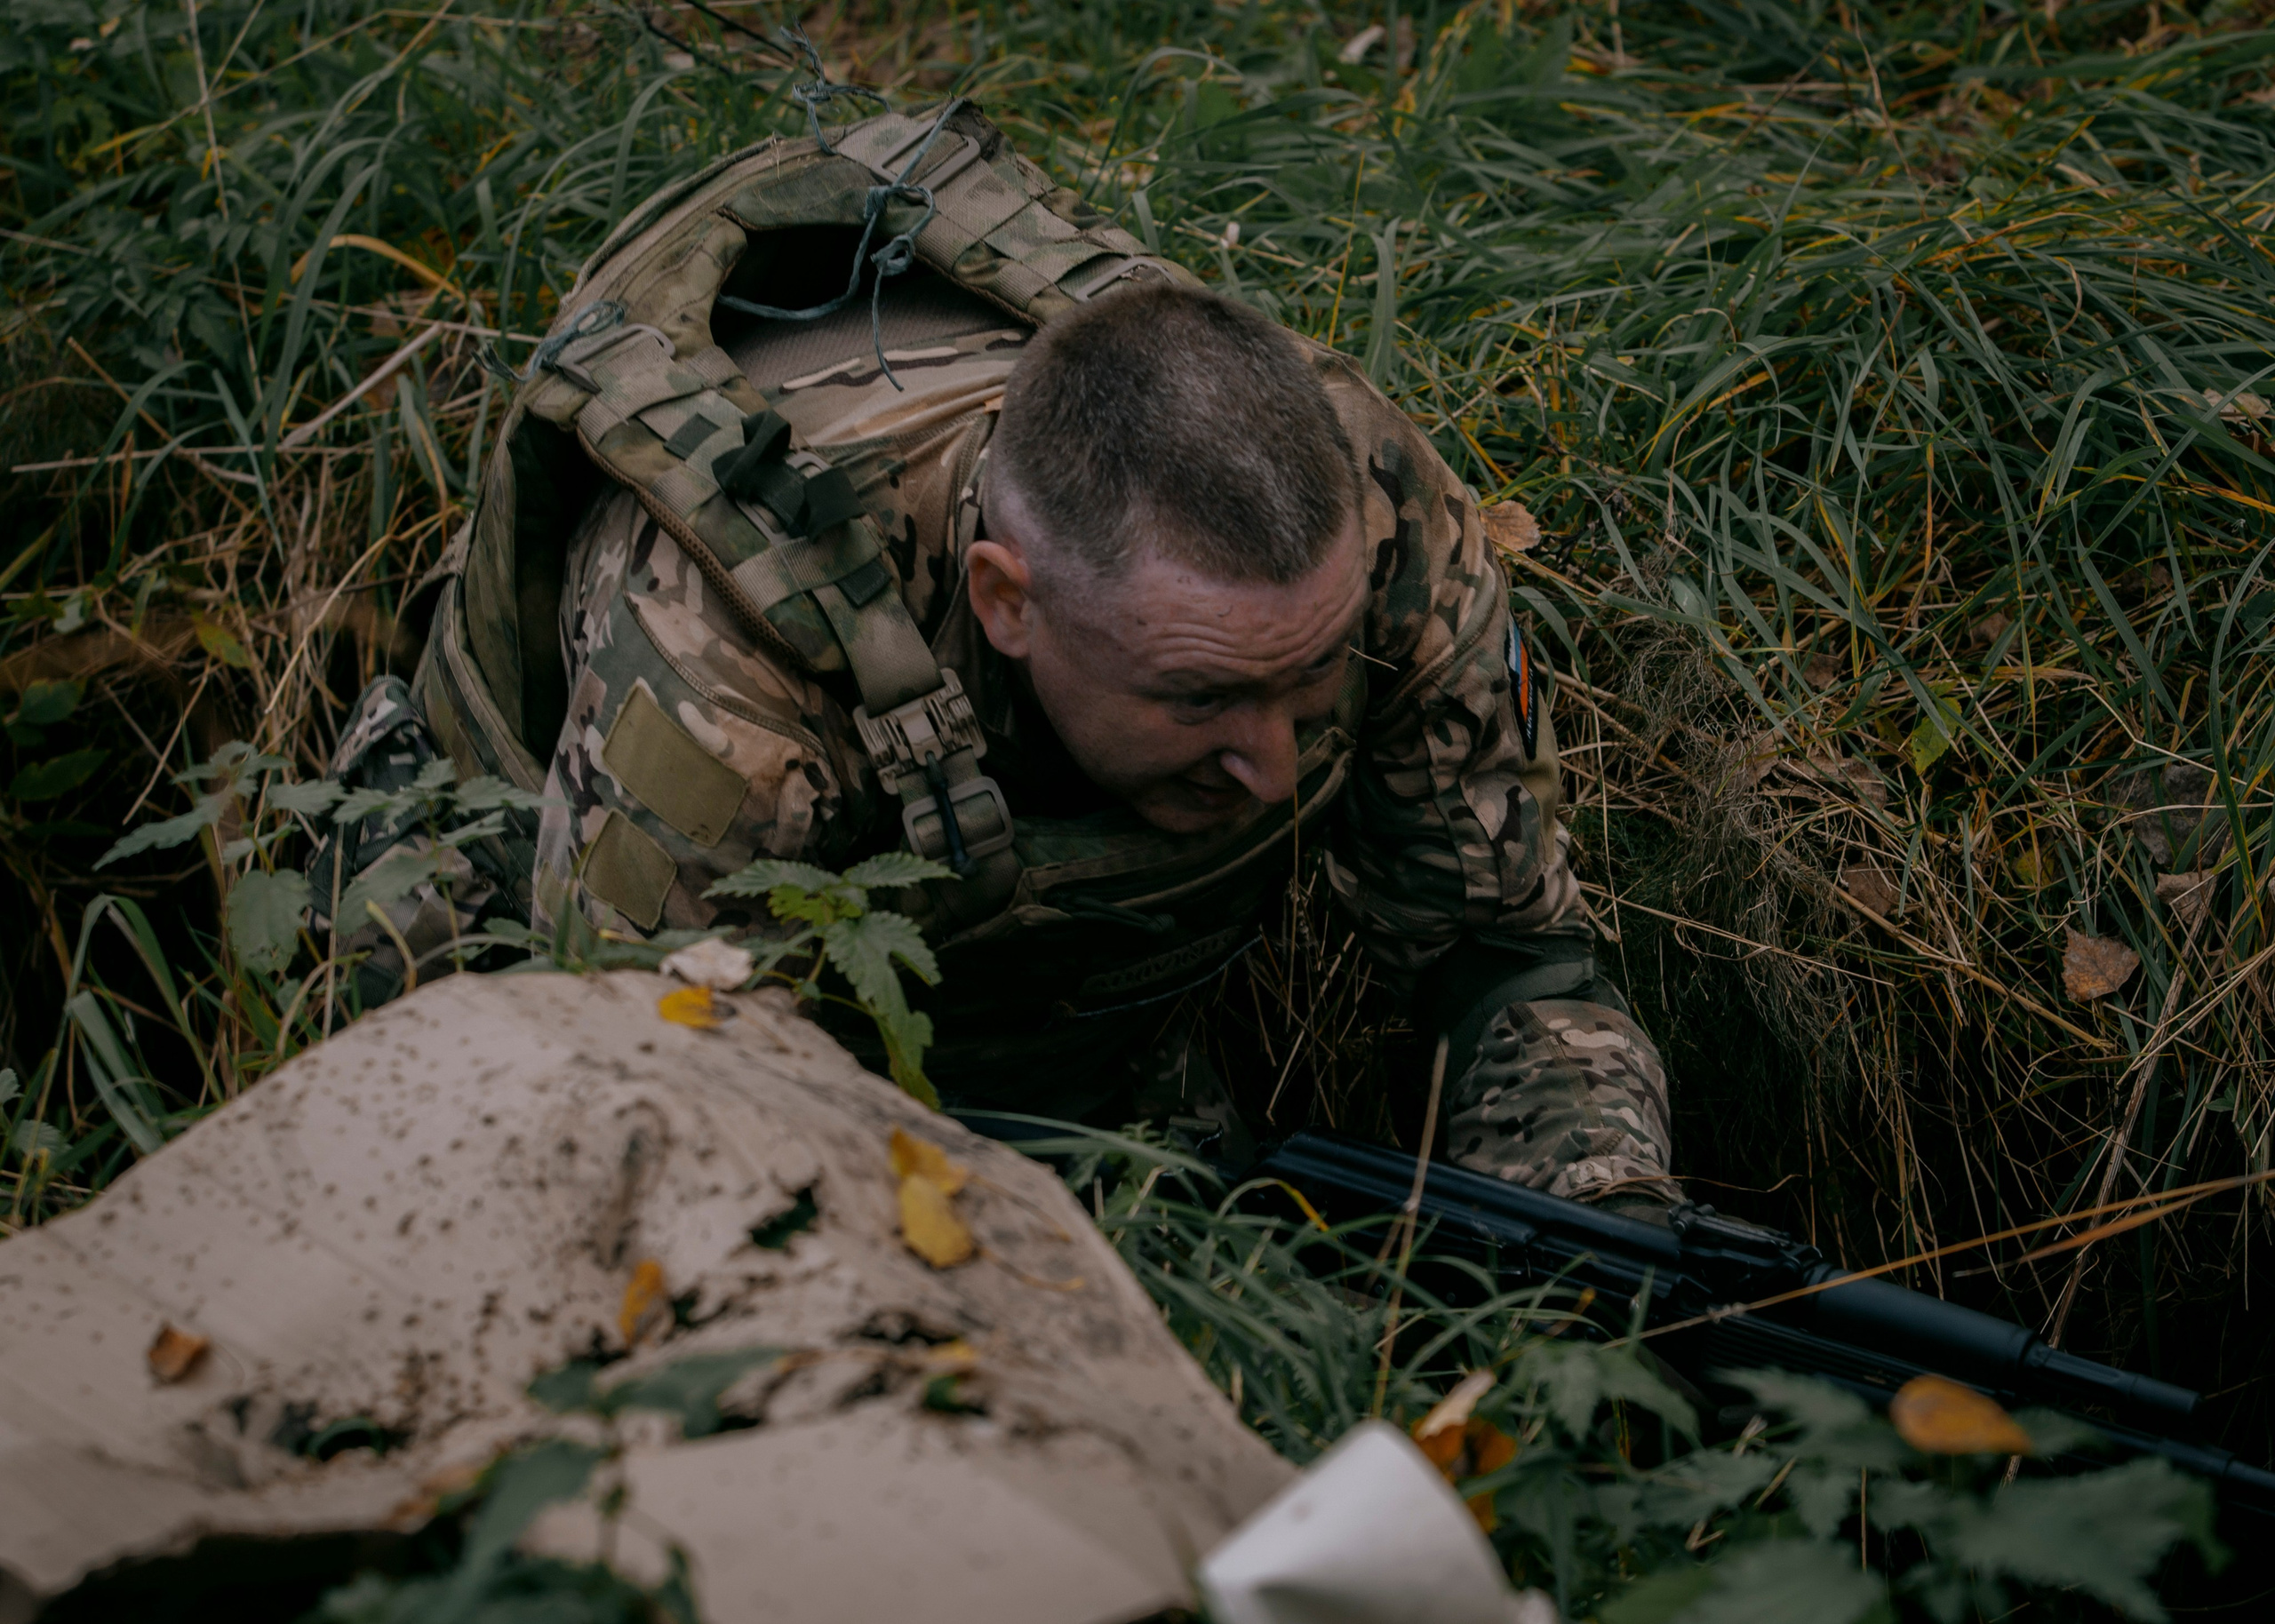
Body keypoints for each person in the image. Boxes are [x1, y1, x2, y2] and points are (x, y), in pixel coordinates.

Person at [319, 108, 1680, 1216]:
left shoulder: (1381, 517)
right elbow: (636, 1143)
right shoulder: (729, 678)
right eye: (1201, 697)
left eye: (1307, 681)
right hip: (567, 983)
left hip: (1054, 1030)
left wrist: (1600, 1217)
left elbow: (1502, 960)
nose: (1273, 770)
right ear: (1005, 602)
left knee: (1205, 1247)